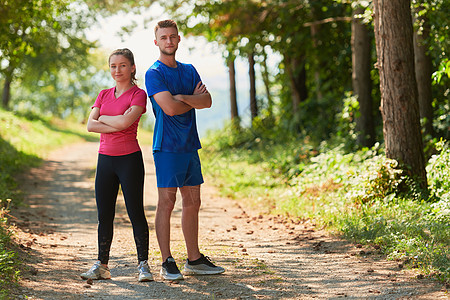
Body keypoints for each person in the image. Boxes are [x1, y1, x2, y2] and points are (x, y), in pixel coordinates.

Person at [145, 19, 225, 281]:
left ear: (179, 39)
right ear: (156, 42)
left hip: (190, 145)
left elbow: (208, 100)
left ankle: (194, 259)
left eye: (173, 37)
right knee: (167, 203)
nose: (169, 41)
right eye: (164, 37)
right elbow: (169, 108)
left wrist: (182, 98)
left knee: (193, 202)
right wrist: (192, 100)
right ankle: (167, 261)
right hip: (167, 147)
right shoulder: (153, 73)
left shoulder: (189, 70)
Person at [81, 48, 153, 282]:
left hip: (129, 159)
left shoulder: (138, 94)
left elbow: (124, 121)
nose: (117, 70)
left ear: (132, 67)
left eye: (122, 65)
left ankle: (143, 265)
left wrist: (103, 118)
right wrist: (117, 123)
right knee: (105, 215)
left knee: (135, 213)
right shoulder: (103, 94)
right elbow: (90, 126)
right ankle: (102, 265)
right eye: (113, 66)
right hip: (105, 160)